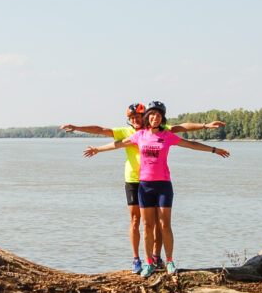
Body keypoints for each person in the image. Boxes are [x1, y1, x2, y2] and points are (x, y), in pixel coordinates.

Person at [62, 106, 224, 273]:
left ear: (145, 116)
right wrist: (91, 143)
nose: (136, 120)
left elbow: (183, 130)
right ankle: (140, 260)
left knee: (162, 224)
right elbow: (107, 135)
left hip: (161, 182)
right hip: (137, 181)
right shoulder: (133, 134)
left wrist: (207, 129)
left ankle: (160, 258)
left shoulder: (163, 131)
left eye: (139, 116)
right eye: (132, 118)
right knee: (141, 222)